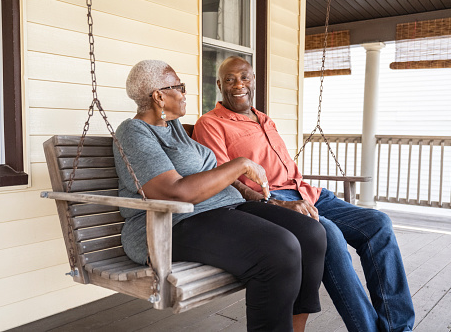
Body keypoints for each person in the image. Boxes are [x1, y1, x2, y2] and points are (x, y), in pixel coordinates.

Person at [192, 56, 415, 332]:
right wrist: (269, 202)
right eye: (230, 79)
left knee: (379, 223)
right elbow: (224, 180)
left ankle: (399, 328)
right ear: (219, 85)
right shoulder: (211, 123)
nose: (239, 84)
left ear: (253, 81)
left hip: (306, 191)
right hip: (271, 199)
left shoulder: (264, 119)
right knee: (330, 234)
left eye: (245, 77)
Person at [113, 59, 327, 332]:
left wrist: (264, 199)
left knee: (310, 233)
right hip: (170, 226)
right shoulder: (133, 132)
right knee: (280, 248)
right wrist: (240, 164)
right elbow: (174, 192)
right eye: (179, 86)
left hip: (223, 208)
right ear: (158, 96)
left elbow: (211, 175)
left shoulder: (174, 127)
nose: (184, 92)